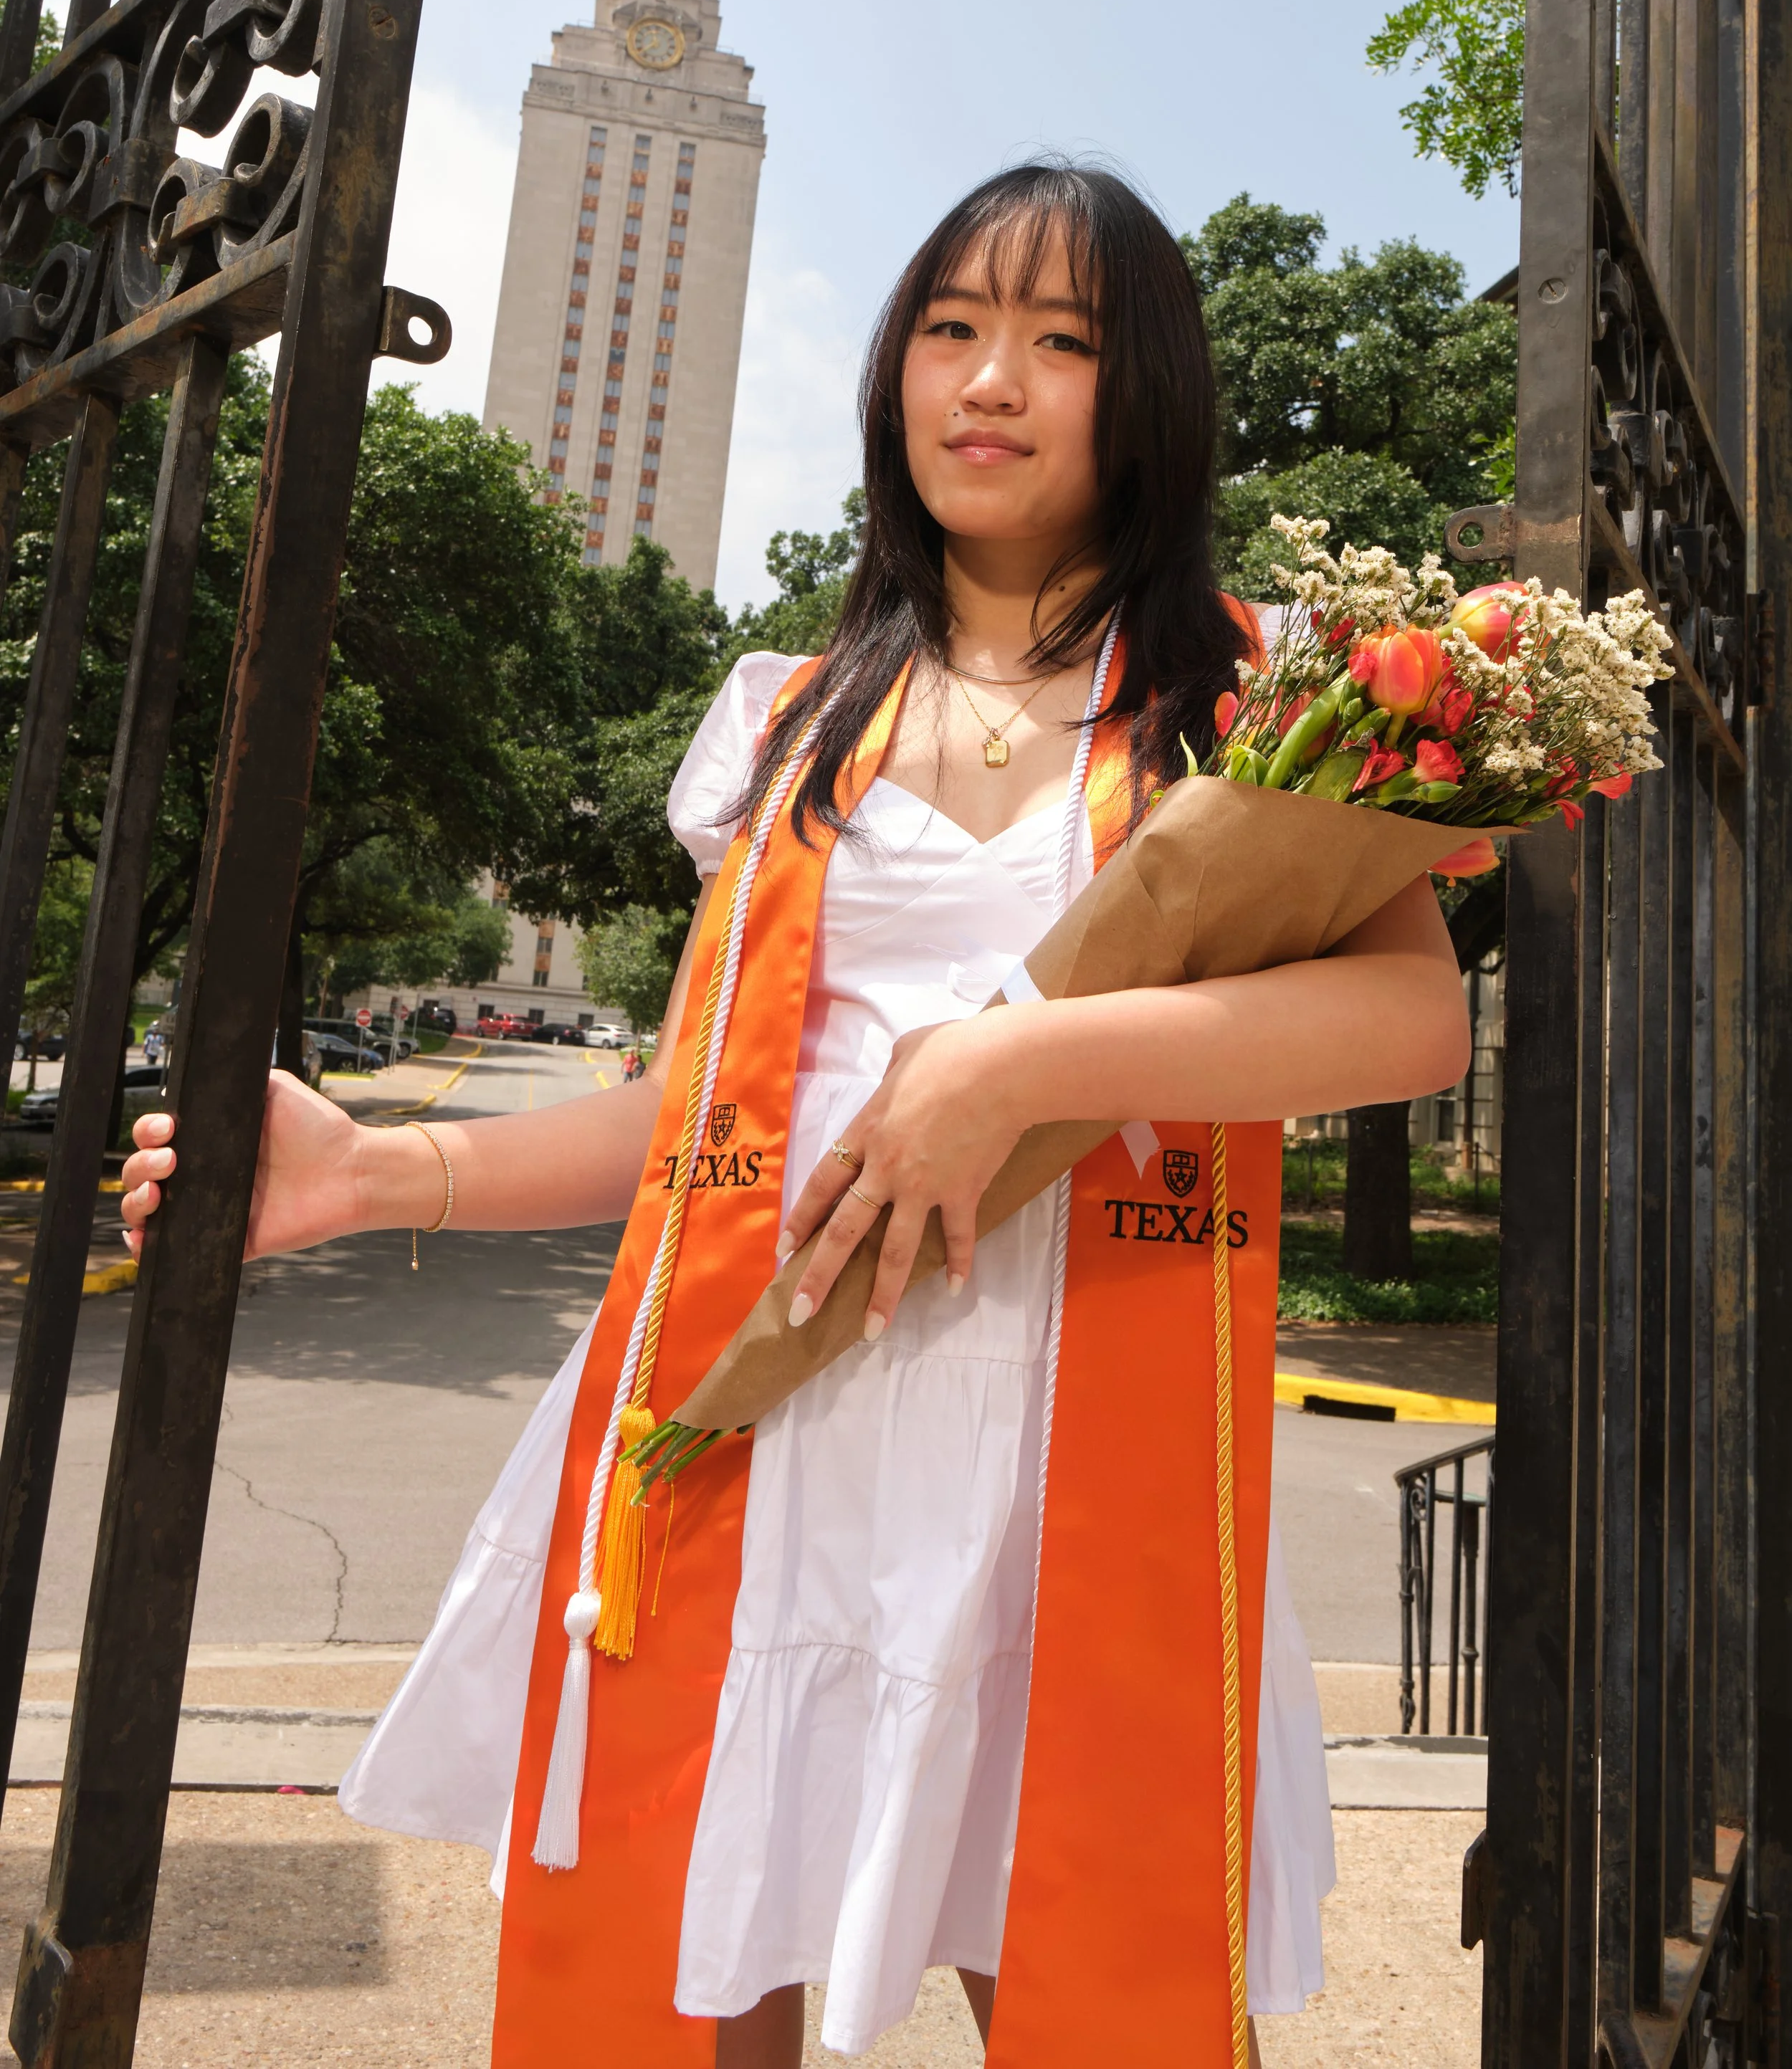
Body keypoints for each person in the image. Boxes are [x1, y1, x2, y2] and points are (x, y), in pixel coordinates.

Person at [123, 164, 1469, 2067]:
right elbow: (696, 1113)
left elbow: (1411, 1018)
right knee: (694, 1982)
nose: (990, 378)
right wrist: (370, 1169)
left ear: (1142, 391)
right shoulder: (793, 711)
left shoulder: (1238, 700)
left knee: (1089, 1969)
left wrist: (1012, 1064)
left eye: (1059, 340)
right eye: (951, 326)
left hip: (1070, 1446)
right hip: (771, 1417)